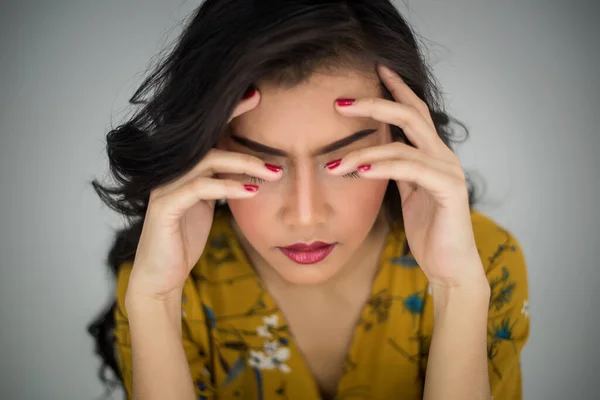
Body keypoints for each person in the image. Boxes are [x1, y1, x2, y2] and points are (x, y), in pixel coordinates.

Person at [88, 1, 529, 399]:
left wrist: (458, 292)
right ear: (207, 153)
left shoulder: (482, 263)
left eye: (348, 160)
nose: (305, 215)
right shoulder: (165, 277)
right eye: (262, 164)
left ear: (403, 139)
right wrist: (155, 304)